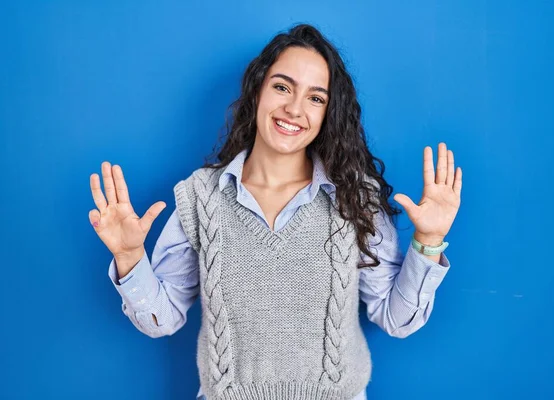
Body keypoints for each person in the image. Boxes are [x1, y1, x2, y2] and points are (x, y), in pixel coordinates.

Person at [89, 24, 462, 400]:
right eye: (282, 87)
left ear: (329, 113)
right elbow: (162, 320)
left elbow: (396, 319)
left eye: (316, 98)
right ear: (257, 91)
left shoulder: (354, 198)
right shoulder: (202, 197)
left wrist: (428, 241)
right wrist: (129, 256)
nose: (294, 109)